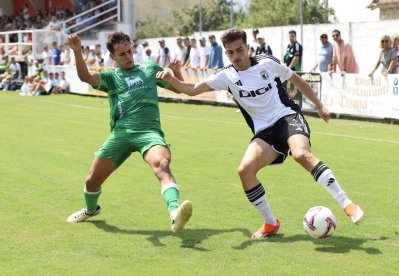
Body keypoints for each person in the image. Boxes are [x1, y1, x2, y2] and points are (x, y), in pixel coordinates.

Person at [156, 28, 364, 239]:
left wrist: (319, 105)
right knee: (245, 170)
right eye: (230, 52)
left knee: (301, 155)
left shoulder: (267, 63)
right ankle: (270, 223)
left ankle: (347, 204)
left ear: (248, 48)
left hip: (287, 118)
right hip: (265, 132)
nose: (236, 56)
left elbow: (297, 80)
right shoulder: (226, 75)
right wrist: (172, 78)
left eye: (239, 50)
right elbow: (191, 89)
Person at [66, 32, 193, 233]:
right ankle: (91, 210)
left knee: (162, 164)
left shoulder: (150, 68)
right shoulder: (111, 77)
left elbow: (180, 89)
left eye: (129, 51)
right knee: (91, 181)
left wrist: (177, 73)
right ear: (113, 57)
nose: (128, 56)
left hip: (149, 132)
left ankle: (174, 213)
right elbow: (85, 77)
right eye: (122, 54)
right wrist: (77, 51)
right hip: (121, 134)